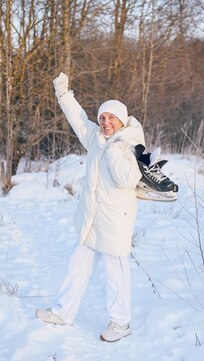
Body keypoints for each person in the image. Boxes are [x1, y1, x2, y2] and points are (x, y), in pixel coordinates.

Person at [36, 72, 145, 342]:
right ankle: (64, 312)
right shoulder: (96, 139)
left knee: (115, 273)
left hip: (115, 221)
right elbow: (77, 119)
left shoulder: (130, 145)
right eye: (102, 118)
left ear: (122, 120)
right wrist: (63, 92)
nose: (105, 123)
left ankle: (121, 323)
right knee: (78, 266)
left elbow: (127, 179)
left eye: (111, 118)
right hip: (93, 218)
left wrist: (115, 150)